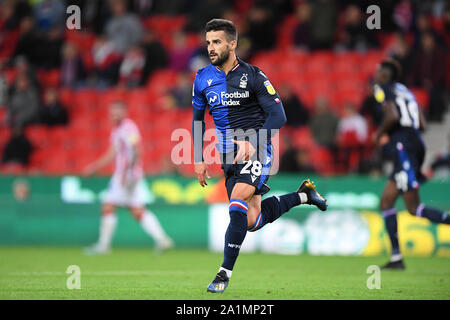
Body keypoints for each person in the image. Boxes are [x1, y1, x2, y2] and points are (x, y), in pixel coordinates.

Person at [192, 19, 327, 293]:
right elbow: (197, 121)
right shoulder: (202, 78)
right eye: (208, 42)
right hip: (228, 157)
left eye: (217, 41)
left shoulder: (253, 76)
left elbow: (279, 115)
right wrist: (198, 157)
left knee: (238, 198)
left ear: (233, 43)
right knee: (251, 220)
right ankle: (304, 195)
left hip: (258, 150)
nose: (211, 47)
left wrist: (253, 141)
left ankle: (223, 273)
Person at [373, 59, 449, 270]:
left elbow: (392, 115)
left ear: (384, 75)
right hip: (415, 143)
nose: (376, 75)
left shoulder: (382, 88)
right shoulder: (406, 91)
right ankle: (396, 258)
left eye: (378, 72)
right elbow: (422, 123)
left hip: (403, 147)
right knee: (386, 202)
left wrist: (379, 135)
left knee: (413, 208)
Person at [83, 100, 173, 255]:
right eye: (112, 111)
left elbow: (137, 149)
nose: (114, 114)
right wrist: (95, 167)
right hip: (129, 175)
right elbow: (112, 153)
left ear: (124, 112)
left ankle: (103, 246)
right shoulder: (116, 130)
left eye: (117, 111)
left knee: (108, 206)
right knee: (137, 209)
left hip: (126, 175)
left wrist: (128, 172)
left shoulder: (128, 127)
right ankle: (163, 239)